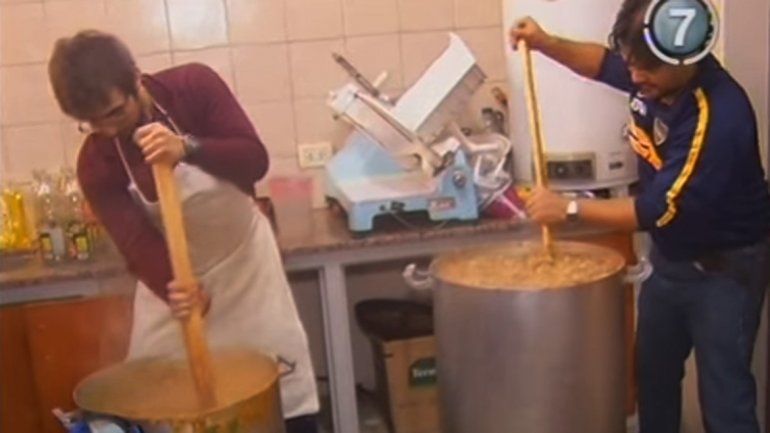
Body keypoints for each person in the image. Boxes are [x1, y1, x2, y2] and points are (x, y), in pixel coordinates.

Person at [510, 1, 770, 432]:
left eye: (645, 69)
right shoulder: (651, 75)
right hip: (669, 260)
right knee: (653, 379)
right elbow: (602, 63)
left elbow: (655, 209)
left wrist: (568, 208)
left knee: (726, 401)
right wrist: (545, 42)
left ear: (686, 61)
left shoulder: (717, 116)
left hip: (725, 271)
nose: (633, 77)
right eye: (632, 62)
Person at [48, 30, 319, 433]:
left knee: (282, 399)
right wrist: (174, 284)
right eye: (89, 124)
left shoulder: (194, 87)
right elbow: (136, 240)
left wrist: (189, 148)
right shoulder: (96, 163)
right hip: (177, 286)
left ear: (136, 78)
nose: (106, 130)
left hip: (246, 266)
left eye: (114, 113)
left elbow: (253, 160)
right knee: (163, 408)